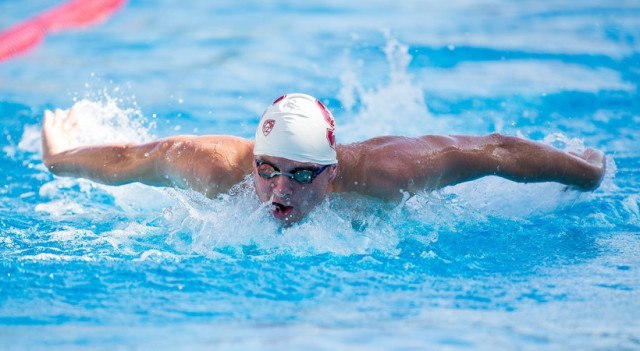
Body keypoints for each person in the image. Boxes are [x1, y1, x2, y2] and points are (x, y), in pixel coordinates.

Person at [42, 93, 606, 225]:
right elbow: (127, 159)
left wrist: (586, 171)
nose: (280, 190)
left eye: (301, 174)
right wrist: (60, 159)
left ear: (332, 172)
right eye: (268, 170)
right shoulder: (215, 167)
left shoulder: (388, 173)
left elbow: (495, 151)